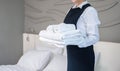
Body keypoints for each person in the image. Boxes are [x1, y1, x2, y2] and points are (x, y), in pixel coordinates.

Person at [63, 0, 101, 71]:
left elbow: (94, 37)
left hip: (83, 56)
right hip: (71, 55)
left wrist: (80, 42)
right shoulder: (71, 10)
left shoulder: (89, 11)